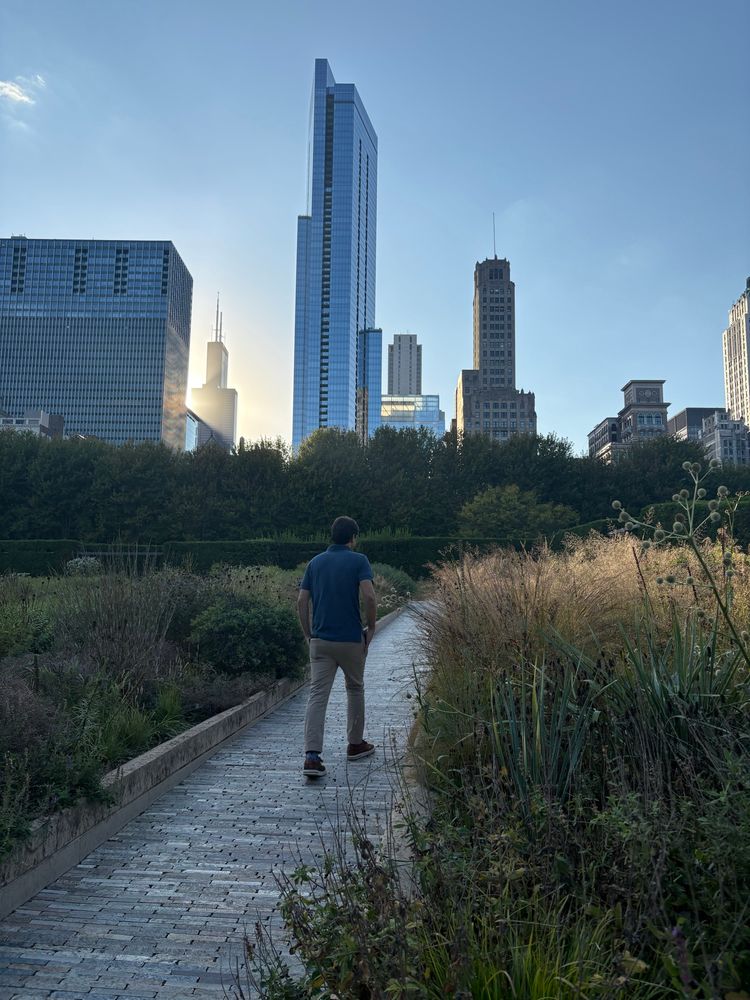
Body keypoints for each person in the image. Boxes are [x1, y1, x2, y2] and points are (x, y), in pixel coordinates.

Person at [297, 515, 377, 777]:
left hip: (321, 641)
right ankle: (355, 745)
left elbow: (301, 601)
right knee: (355, 688)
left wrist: (309, 634)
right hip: (350, 640)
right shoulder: (359, 561)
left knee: (318, 694)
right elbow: (369, 595)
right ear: (353, 538)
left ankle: (312, 756)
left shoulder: (315, 563)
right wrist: (371, 626)